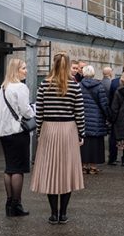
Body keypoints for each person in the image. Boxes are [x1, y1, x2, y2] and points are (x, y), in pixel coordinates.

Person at [31, 52, 85, 224]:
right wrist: (81, 133)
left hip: (49, 129)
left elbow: (39, 111)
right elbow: (80, 113)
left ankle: (53, 213)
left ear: (53, 64)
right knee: (66, 171)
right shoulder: (74, 85)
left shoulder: (45, 84)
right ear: (68, 65)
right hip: (68, 129)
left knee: (50, 171)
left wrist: (40, 131)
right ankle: (63, 213)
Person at [0, 57, 34, 216]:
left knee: (9, 168)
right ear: (16, 70)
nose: (26, 71)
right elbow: (26, 111)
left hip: (4, 131)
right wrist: (33, 110)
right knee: (18, 169)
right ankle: (16, 205)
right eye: (23, 68)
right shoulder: (21, 87)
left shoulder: (4, 87)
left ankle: (9, 203)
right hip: (17, 131)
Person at [79, 65, 110, 174]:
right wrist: (108, 116)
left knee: (84, 143)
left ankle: (82, 165)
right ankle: (93, 166)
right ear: (93, 74)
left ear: (83, 74)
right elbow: (104, 104)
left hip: (83, 118)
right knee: (95, 143)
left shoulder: (79, 86)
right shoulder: (99, 86)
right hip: (96, 119)